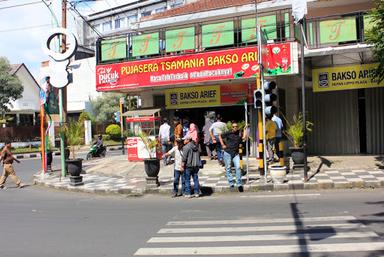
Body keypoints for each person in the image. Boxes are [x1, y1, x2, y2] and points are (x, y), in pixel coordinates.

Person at [219, 122, 248, 192]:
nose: (235, 128)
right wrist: (222, 144)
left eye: (236, 126)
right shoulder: (228, 133)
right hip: (227, 152)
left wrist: (245, 129)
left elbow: (244, 138)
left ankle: (239, 184)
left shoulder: (238, 134)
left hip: (236, 153)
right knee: (228, 168)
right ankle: (231, 182)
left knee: (238, 167)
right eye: (233, 126)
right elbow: (220, 136)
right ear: (231, 127)